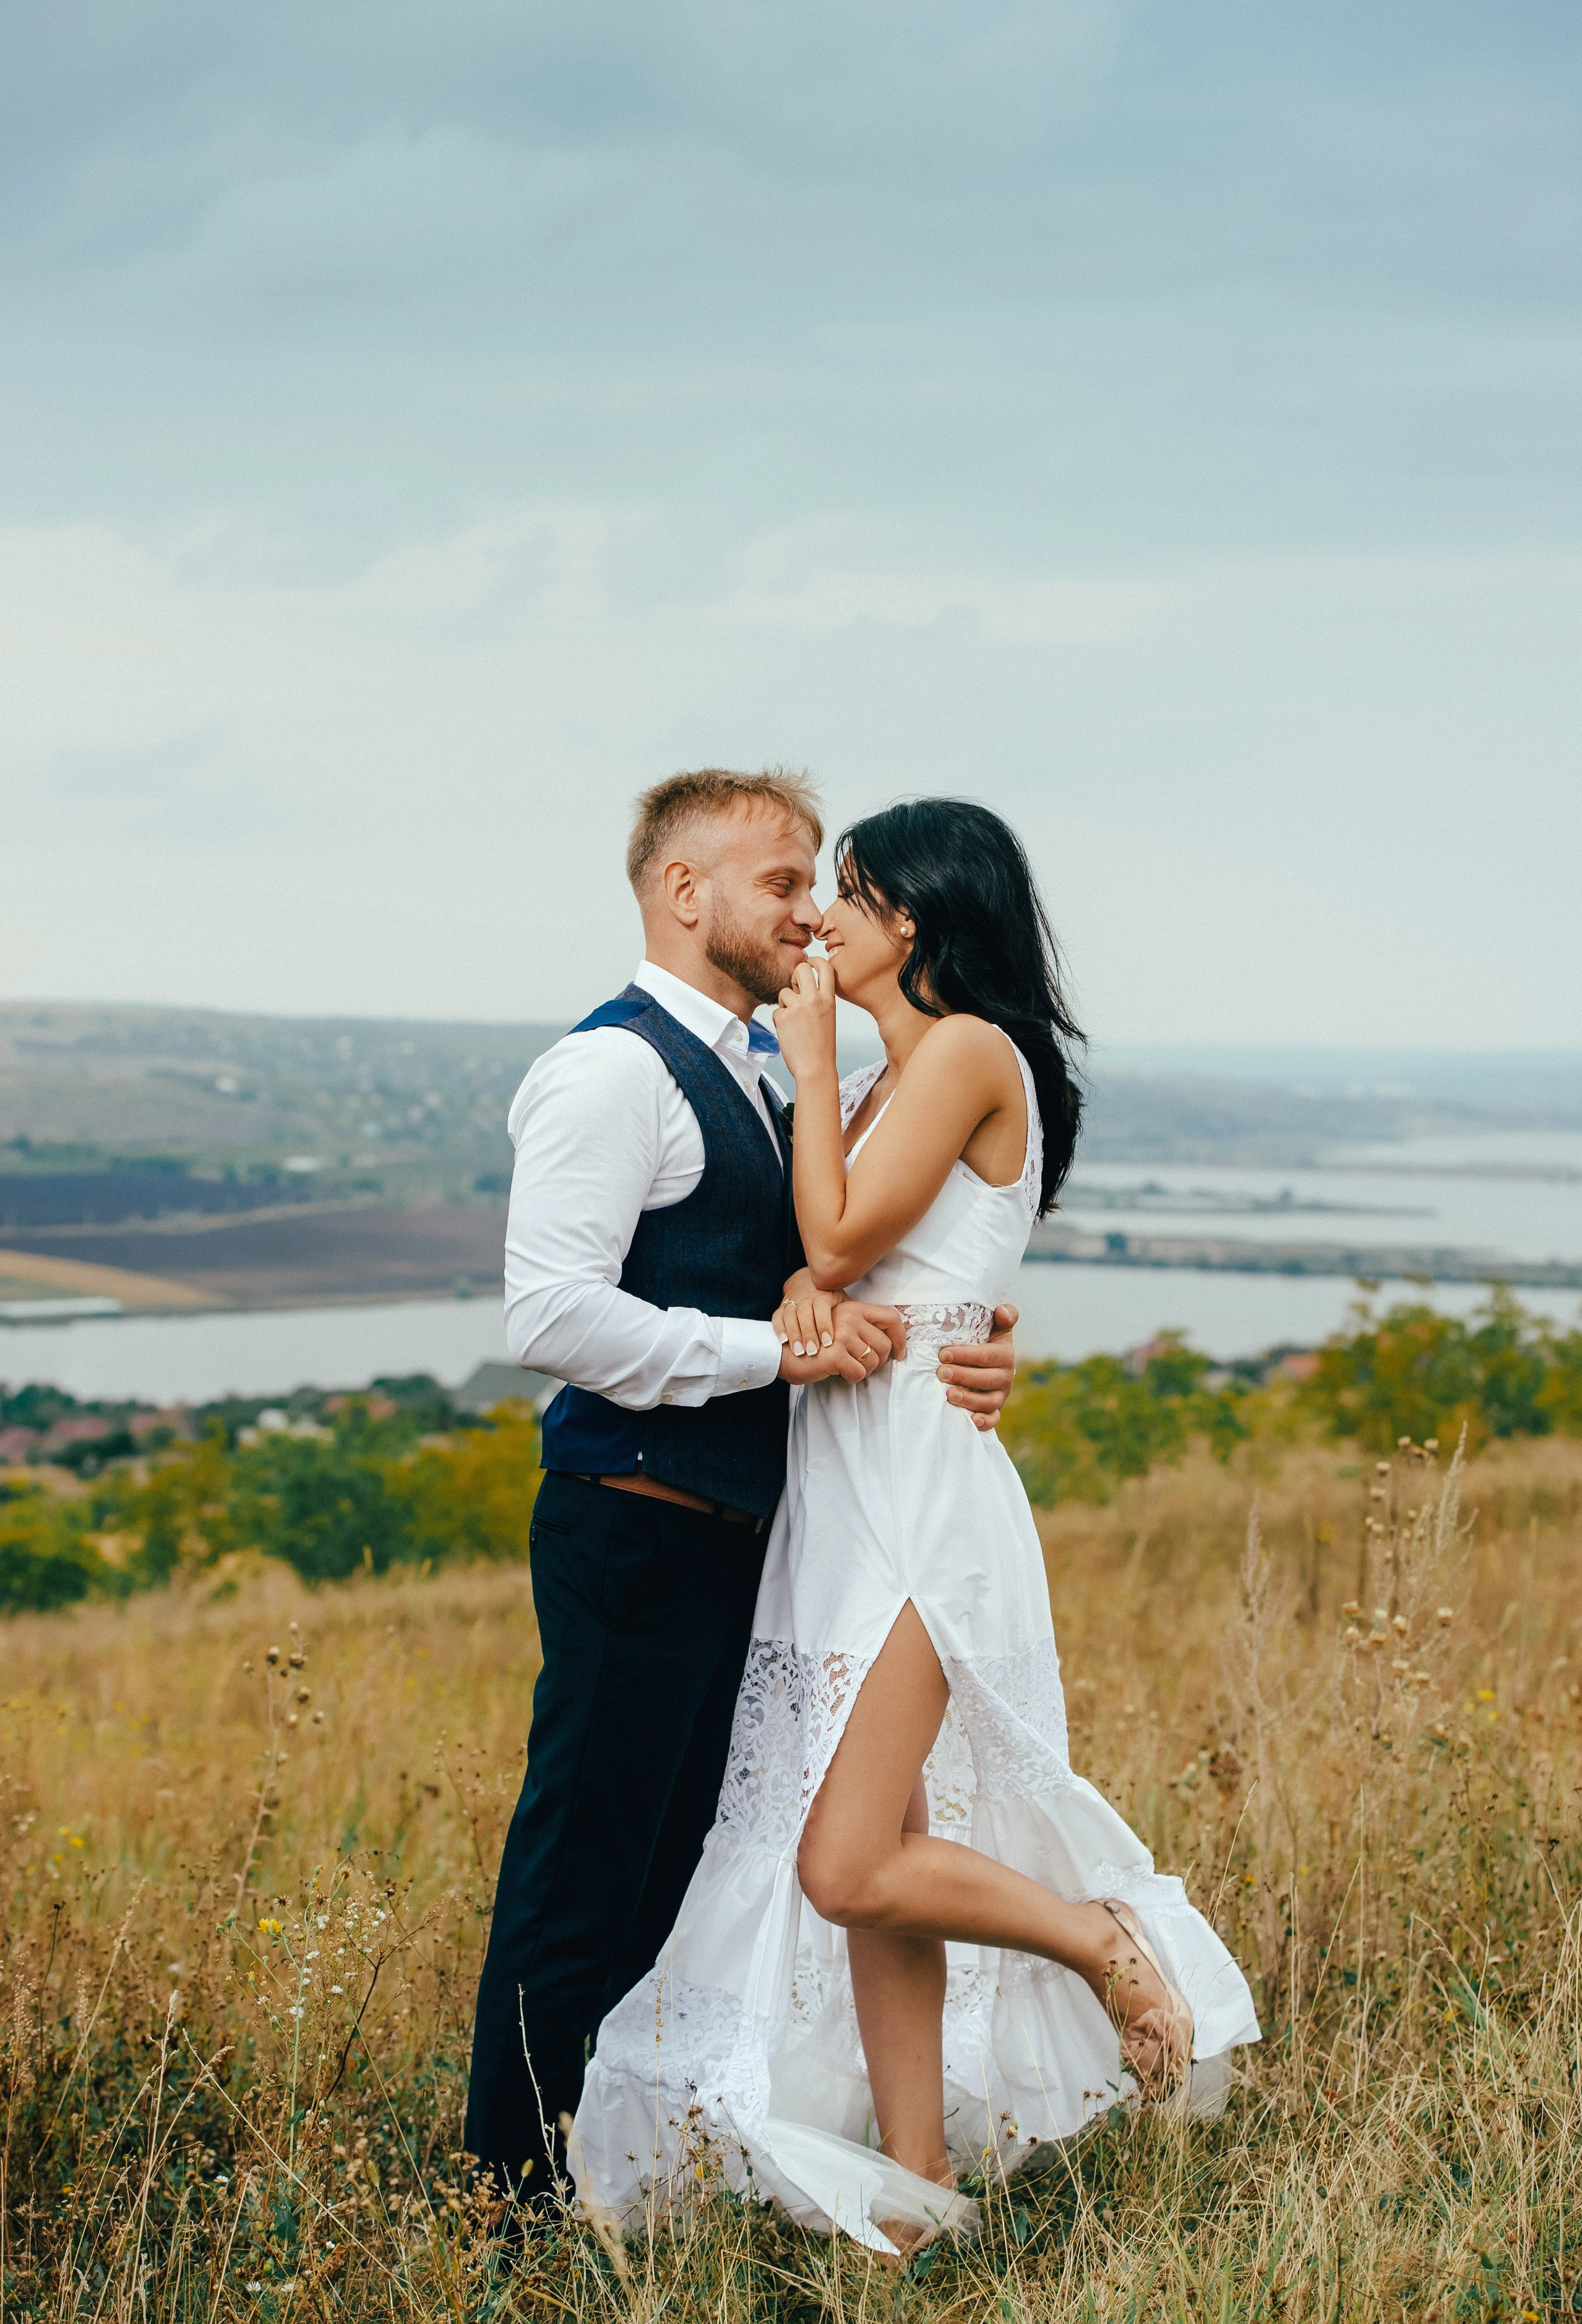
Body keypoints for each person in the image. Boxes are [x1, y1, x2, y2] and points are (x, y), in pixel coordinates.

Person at [572, 798, 1260, 2257]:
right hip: (838, 1475)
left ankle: (1097, 1939)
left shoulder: (956, 1051)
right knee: (881, 1846)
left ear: (925, 919)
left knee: (840, 1863)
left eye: (856, 893)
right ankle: (916, 2188)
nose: (824, 915)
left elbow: (836, 1236)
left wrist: (814, 1090)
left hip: (915, 1494)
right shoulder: (893, 1074)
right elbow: (840, 1265)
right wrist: (814, 1298)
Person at [463, 770, 1021, 2208]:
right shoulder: (613, 1070)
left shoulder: (772, 1070)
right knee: (582, 1877)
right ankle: (504, 2206)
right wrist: (768, 1353)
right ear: (681, 894)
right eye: (779, 882)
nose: (805, 910)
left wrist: (971, 1342)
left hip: (761, 1540)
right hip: (634, 1524)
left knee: (674, 1880)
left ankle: (620, 2174)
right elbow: (548, 1315)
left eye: (812, 880)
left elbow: (867, 1256)